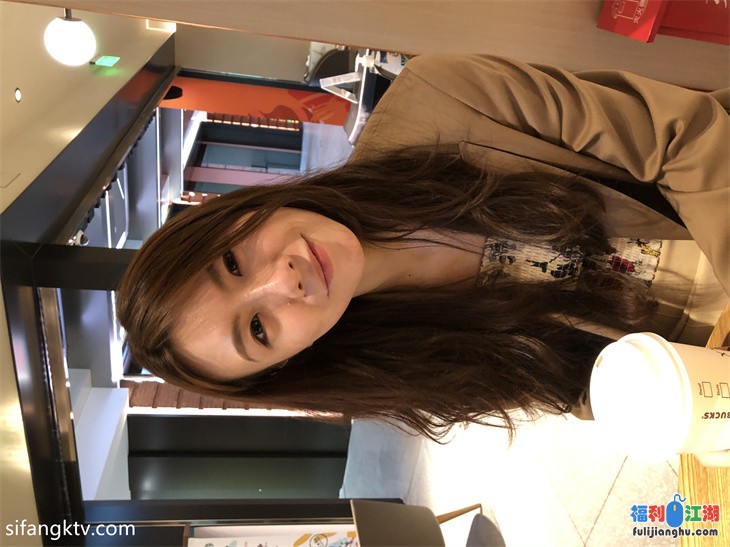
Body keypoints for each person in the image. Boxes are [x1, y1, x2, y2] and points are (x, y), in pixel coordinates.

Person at [117, 54, 729, 439]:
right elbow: (576, 385)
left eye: (232, 262)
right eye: (257, 329)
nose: (284, 281)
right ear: (288, 362)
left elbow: (685, 137)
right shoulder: (415, 362)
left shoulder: (441, 100)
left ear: (234, 211)